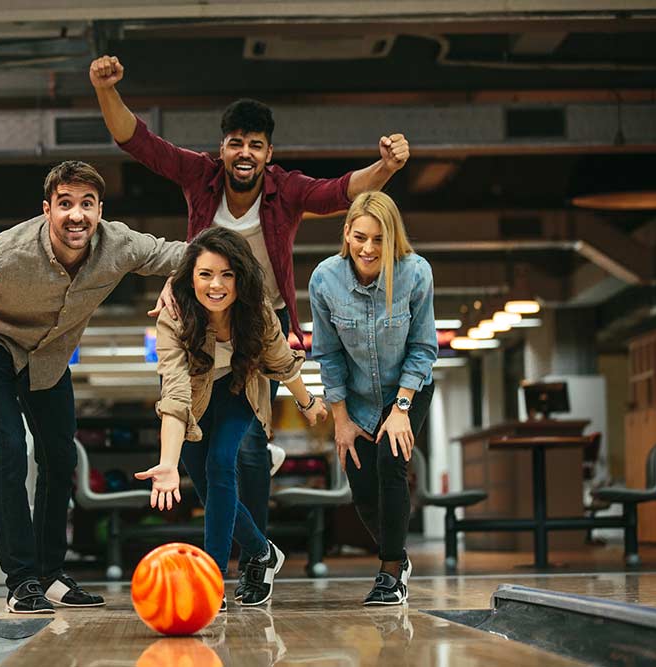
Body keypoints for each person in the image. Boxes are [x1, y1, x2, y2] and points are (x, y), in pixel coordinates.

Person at [90, 55, 410, 593]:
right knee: (200, 451)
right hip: (198, 316)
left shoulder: (285, 189)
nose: (245, 153)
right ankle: (260, 542)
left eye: (256, 144)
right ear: (223, 148)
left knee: (235, 454)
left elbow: (338, 191)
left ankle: (246, 563)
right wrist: (105, 91)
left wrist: (386, 169)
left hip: (263, 321)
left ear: (269, 153)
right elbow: (140, 143)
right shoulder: (200, 176)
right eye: (236, 142)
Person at [0, 160, 186, 614]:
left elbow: (184, 253)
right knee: (8, 446)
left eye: (87, 204)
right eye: (65, 204)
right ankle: (21, 580)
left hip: (48, 353)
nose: (76, 215)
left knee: (59, 455)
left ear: (100, 210)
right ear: (47, 209)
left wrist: (183, 277)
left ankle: (50, 574)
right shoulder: (5, 250)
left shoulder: (120, 244)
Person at [135, 227, 328, 610]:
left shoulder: (257, 313)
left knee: (222, 463)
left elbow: (281, 364)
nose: (216, 285)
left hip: (242, 388)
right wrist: (168, 464)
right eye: (205, 274)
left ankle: (212, 581)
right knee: (210, 490)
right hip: (195, 395)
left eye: (227, 274)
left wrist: (308, 403)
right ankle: (262, 551)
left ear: (241, 276)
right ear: (191, 277)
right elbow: (174, 394)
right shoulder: (174, 317)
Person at [308, 191, 437, 605]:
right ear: (346, 233)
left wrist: (400, 409)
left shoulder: (415, 273)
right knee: (361, 486)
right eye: (360, 236)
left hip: (408, 385)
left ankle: (391, 571)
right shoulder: (324, 279)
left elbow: (424, 346)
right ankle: (394, 549)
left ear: (393, 239)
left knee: (390, 462)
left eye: (379, 239)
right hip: (358, 395)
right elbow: (327, 354)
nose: (368, 248)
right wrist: (341, 421)